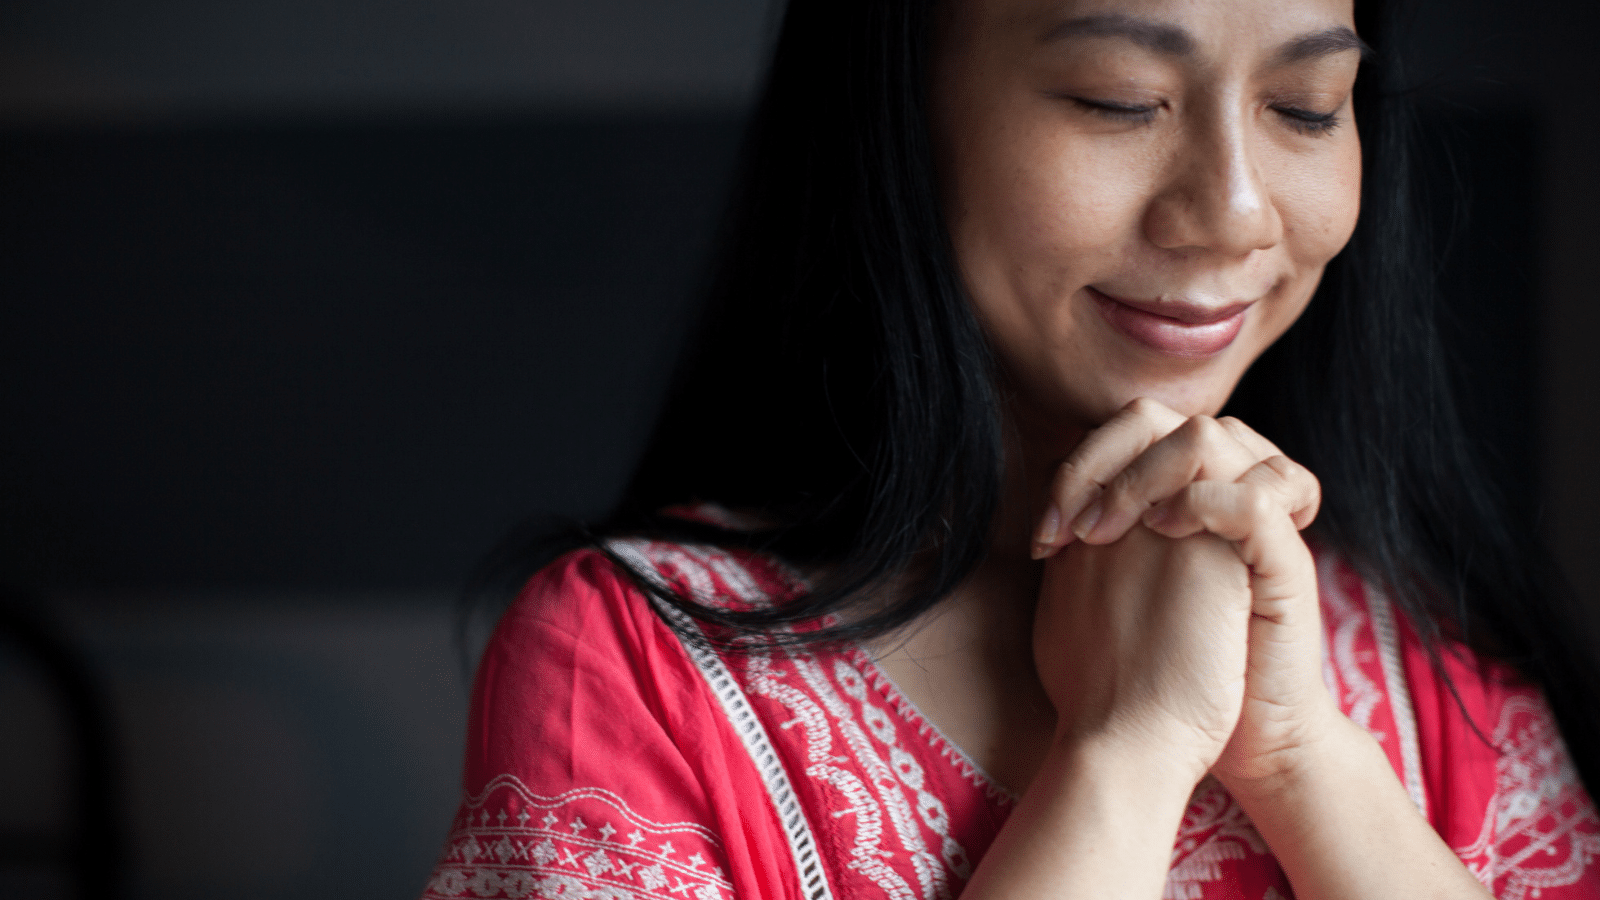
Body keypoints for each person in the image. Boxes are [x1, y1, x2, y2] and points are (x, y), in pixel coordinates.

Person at [422, 0, 1600, 896]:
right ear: (897, 111)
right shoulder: (632, 665)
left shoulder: (1435, 656)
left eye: (1305, 109)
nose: (1235, 211)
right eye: (1118, 98)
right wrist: (1124, 755)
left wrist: (1300, 762)